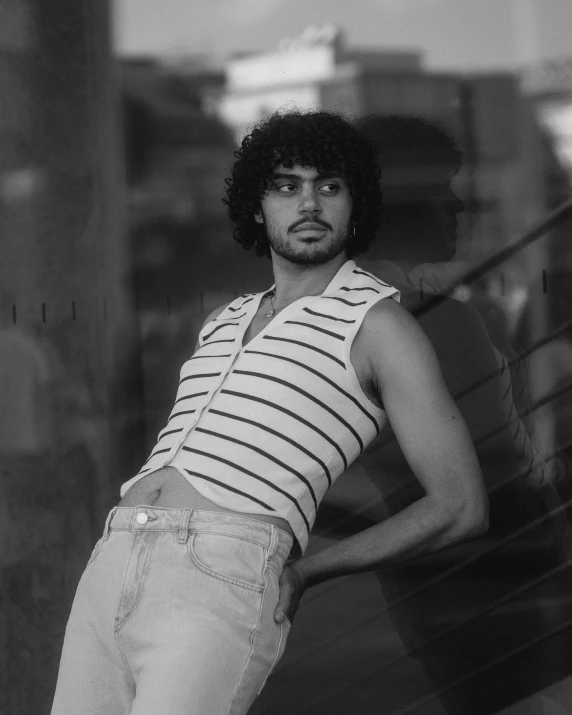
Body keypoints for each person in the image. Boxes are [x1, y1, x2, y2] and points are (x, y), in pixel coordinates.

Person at [50, 110, 488, 715]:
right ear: (258, 208)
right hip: (114, 558)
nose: (308, 203)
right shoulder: (224, 320)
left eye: (329, 187)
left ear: (355, 206)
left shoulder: (380, 324)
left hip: (221, 574)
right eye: (287, 186)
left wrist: (312, 570)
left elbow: (460, 505)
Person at [350, 114, 572, 715]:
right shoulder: (433, 324)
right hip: (504, 569)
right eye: (440, 186)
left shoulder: (325, 320)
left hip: (430, 580)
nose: (458, 205)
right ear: (388, 204)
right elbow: (503, 475)